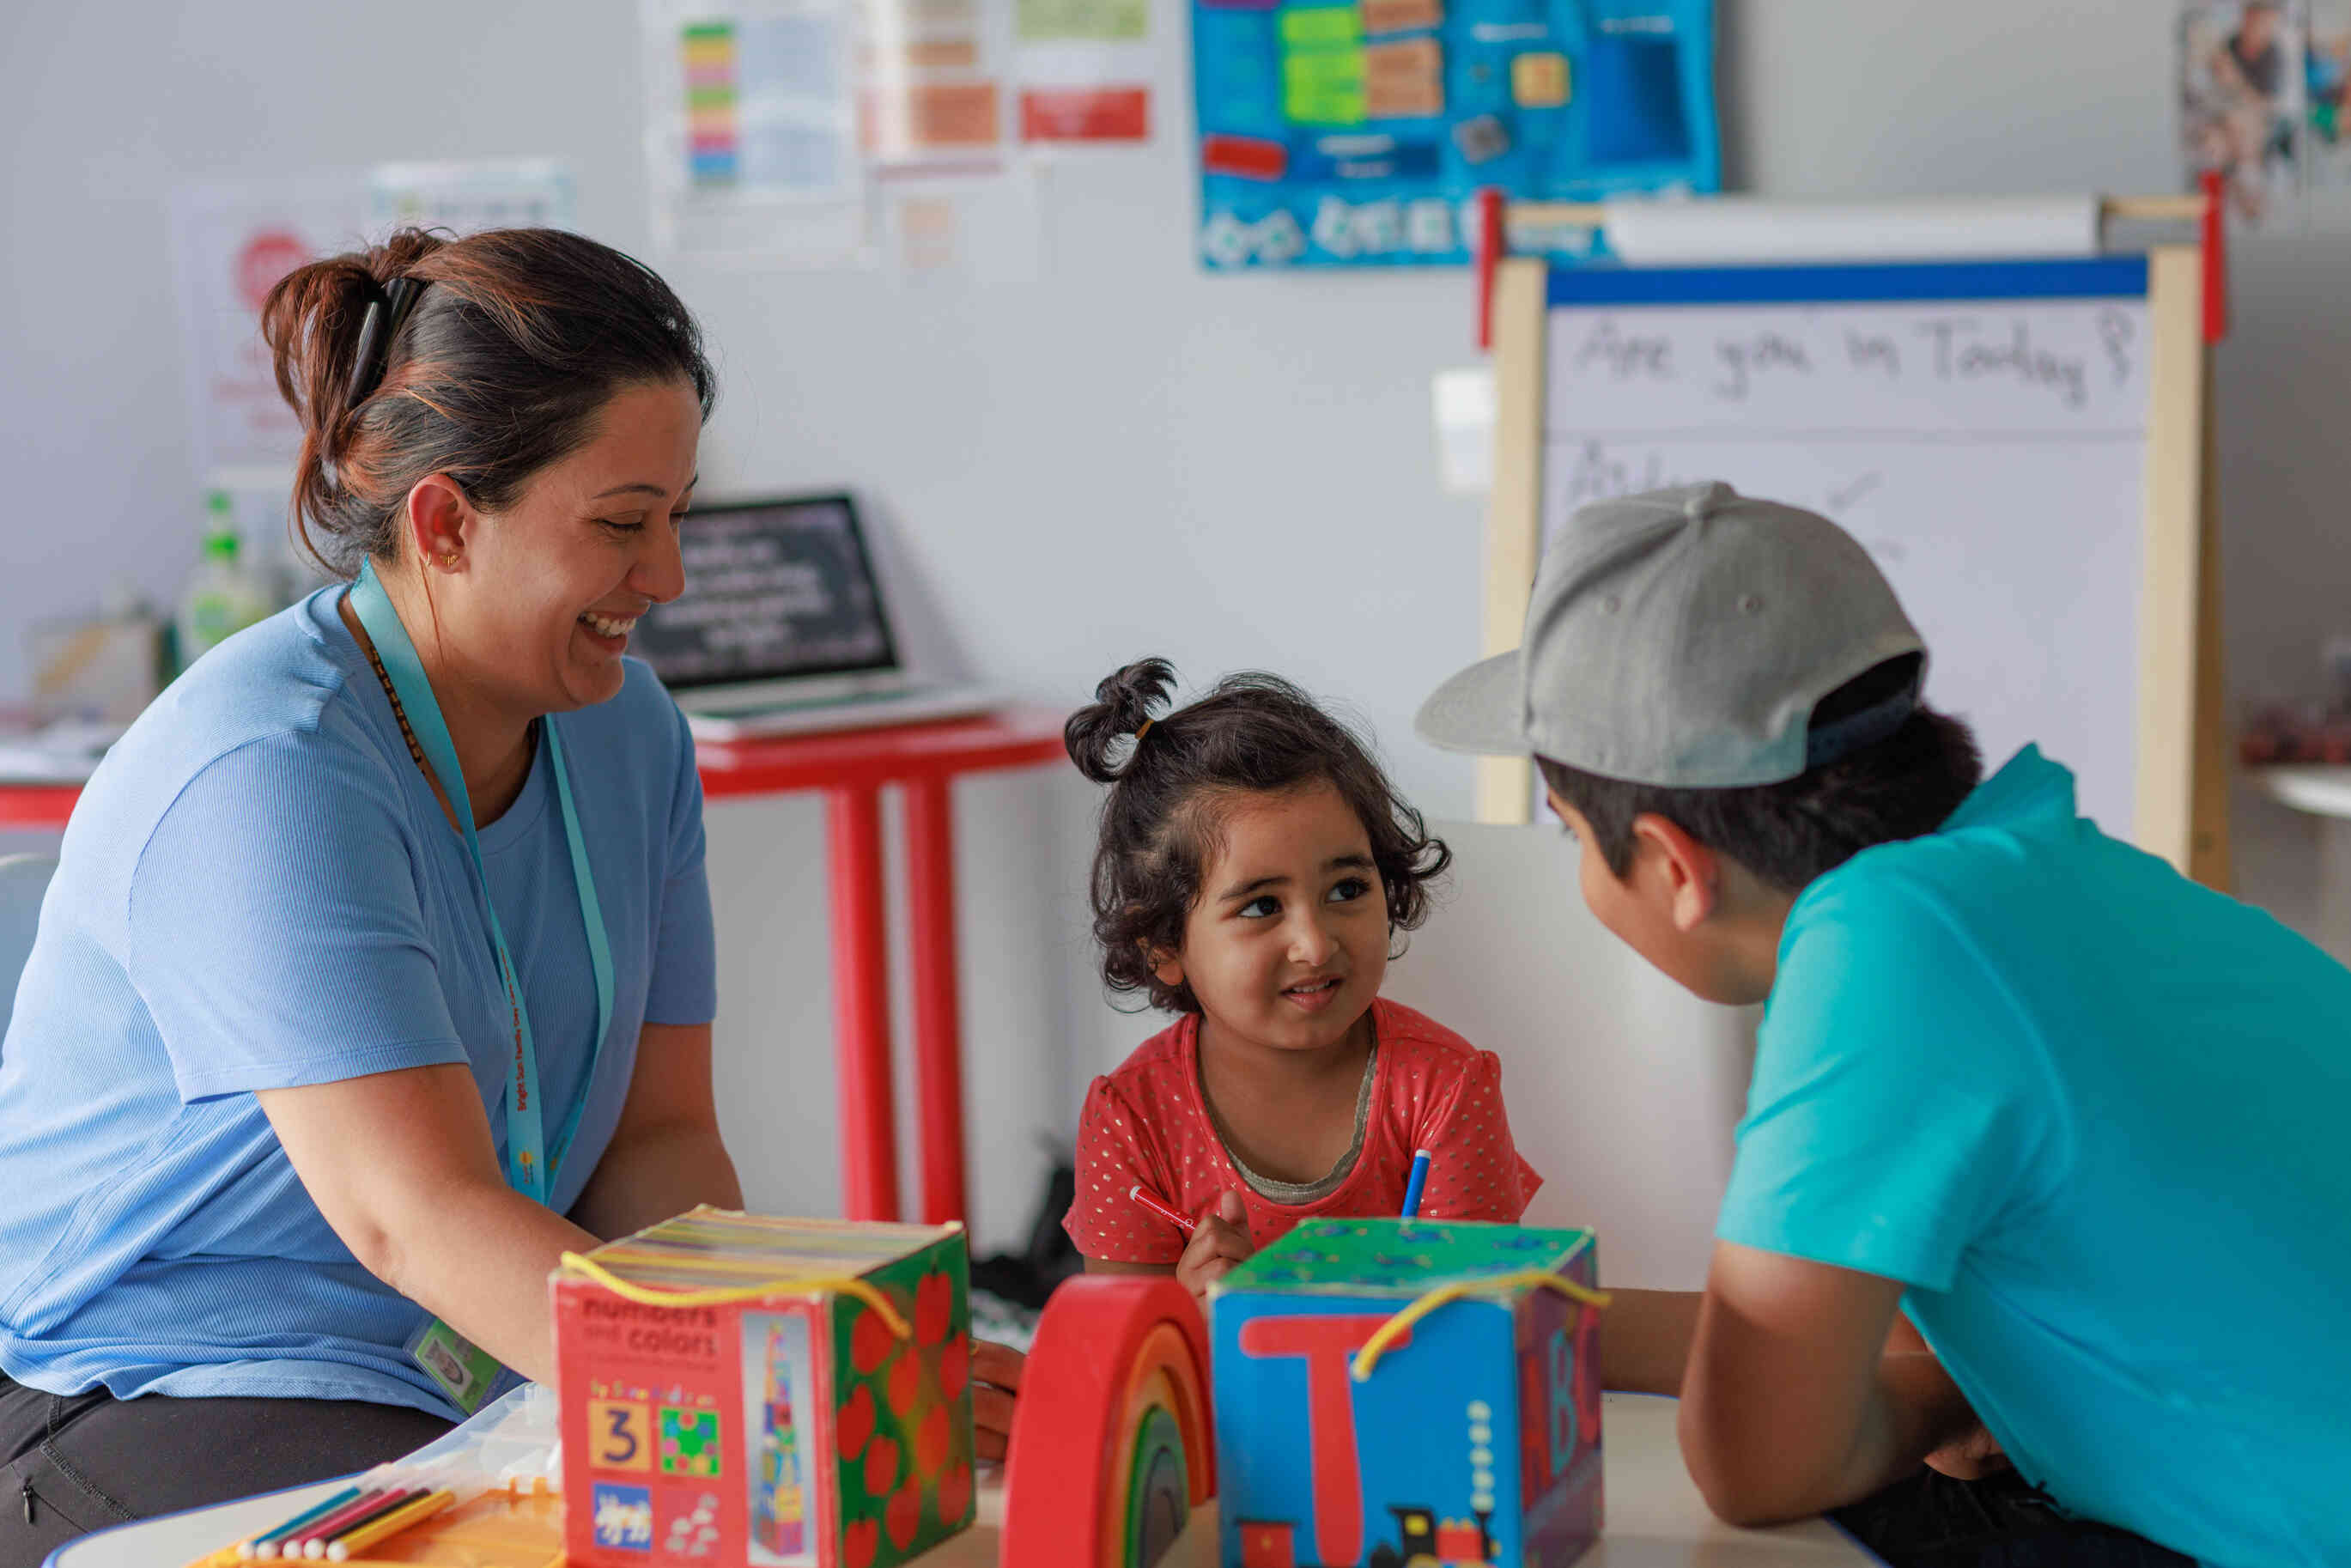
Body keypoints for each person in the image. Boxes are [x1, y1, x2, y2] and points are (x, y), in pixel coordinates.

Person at [0, 228, 1018, 1566]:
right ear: (444, 523)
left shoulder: (631, 732)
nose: (668, 576)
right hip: (142, 1378)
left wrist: (833, 1355)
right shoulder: (269, 766)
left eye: (677, 516)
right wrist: (782, 1401)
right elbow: (413, 1214)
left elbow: (657, 1145)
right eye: (622, 523)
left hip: (460, 1359)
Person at [1415, 482, 2351, 1566]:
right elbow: (1842, 1342)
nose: (1577, 866)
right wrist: (1506, 1311)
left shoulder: (1888, 950)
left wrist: (1935, 1398)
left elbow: (1751, 1458)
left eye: (1571, 832)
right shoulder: (2037, 875)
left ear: (1673, 865)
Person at [1060, 659, 1541, 1309]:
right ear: (1164, 946)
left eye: (1347, 889)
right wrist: (1193, 1319)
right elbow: (1124, 1353)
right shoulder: (1130, 1119)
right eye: (1261, 906)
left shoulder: (1445, 1089)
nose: (1315, 944)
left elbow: (1484, 1323)